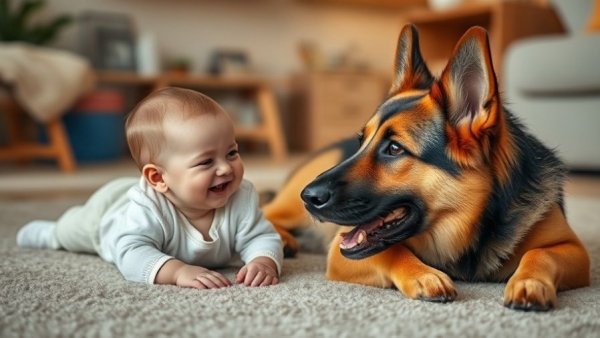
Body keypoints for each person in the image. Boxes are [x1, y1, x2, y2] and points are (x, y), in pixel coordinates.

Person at [17, 87, 283, 289]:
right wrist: (177, 271)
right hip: (106, 215)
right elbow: (131, 254)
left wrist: (263, 260)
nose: (225, 169)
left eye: (232, 153)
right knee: (70, 231)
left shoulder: (242, 196)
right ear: (157, 177)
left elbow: (262, 236)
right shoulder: (146, 209)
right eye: (205, 162)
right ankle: (49, 233)